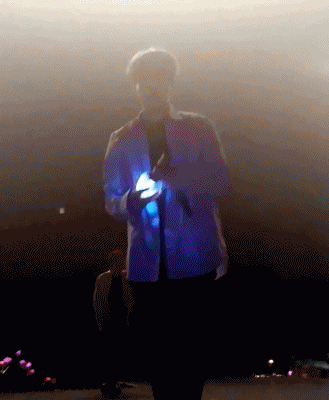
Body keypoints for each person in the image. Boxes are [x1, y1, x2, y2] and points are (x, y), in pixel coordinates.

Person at [102, 47, 232, 400]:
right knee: (158, 358)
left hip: (196, 260)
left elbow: (222, 182)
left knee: (193, 354)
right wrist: (130, 200)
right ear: (134, 86)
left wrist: (179, 177)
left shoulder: (198, 128)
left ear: (171, 83)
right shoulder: (121, 138)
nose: (150, 87)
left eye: (158, 78)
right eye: (143, 80)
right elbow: (112, 201)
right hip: (146, 267)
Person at [93, 250, 135, 395]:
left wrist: (128, 317)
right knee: (110, 350)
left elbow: (129, 300)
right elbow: (98, 301)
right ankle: (111, 380)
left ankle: (113, 380)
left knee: (117, 350)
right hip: (109, 319)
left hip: (120, 318)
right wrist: (100, 319)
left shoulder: (125, 278)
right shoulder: (104, 278)